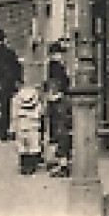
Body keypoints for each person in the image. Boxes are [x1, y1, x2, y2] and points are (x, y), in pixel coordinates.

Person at [44, 42, 72, 176]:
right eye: (60, 53)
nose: (62, 56)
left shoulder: (52, 66)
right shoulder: (56, 67)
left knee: (58, 131)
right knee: (61, 131)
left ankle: (62, 162)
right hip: (59, 101)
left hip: (55, 100)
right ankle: (63, 163)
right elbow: (57, 84)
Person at [12, 82, 45, 175]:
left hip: (21, 123)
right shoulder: (37, 100)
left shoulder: (16, 99)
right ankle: (31, 165)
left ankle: (24, 165)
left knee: (22, 144)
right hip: (33, 124)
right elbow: (41, 112)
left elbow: (14, 115)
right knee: (33, 144)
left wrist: (13, 128)